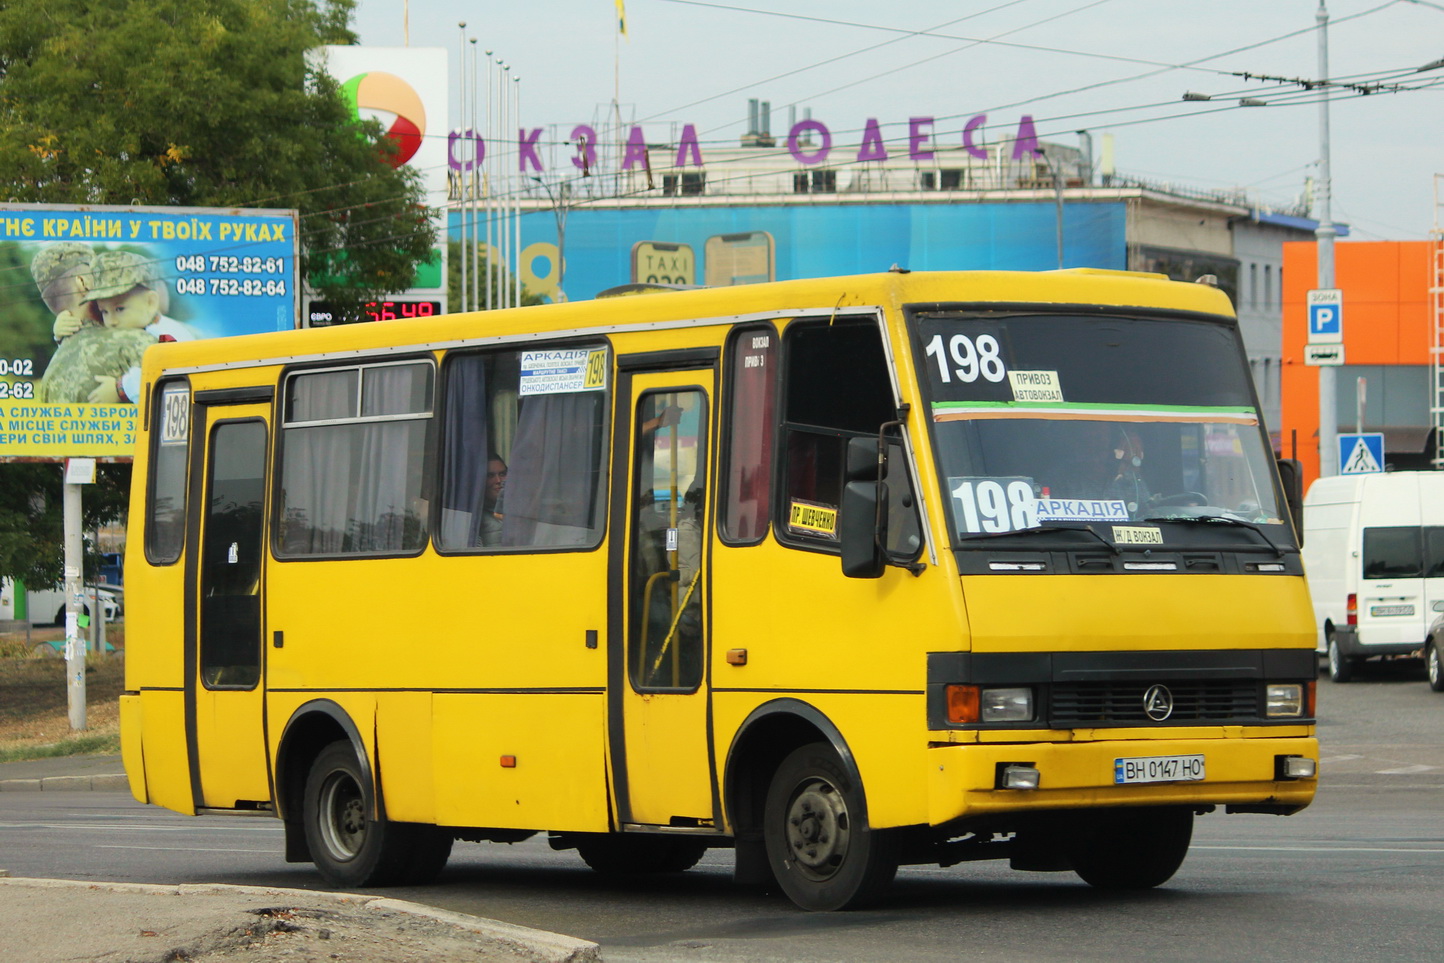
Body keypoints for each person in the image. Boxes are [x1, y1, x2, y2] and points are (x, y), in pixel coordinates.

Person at [73, 250, 199, 404]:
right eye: (104, 311)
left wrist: (121, 389)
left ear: (150, 303)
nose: (111, 321)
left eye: (119, 309)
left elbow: (175, 376)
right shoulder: (137, 327)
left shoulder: (167, 335)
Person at [479, 454, 507, 546]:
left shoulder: (520, 510)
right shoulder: (477, 518)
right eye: (490, 475)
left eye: (502, 474)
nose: (498, 480)